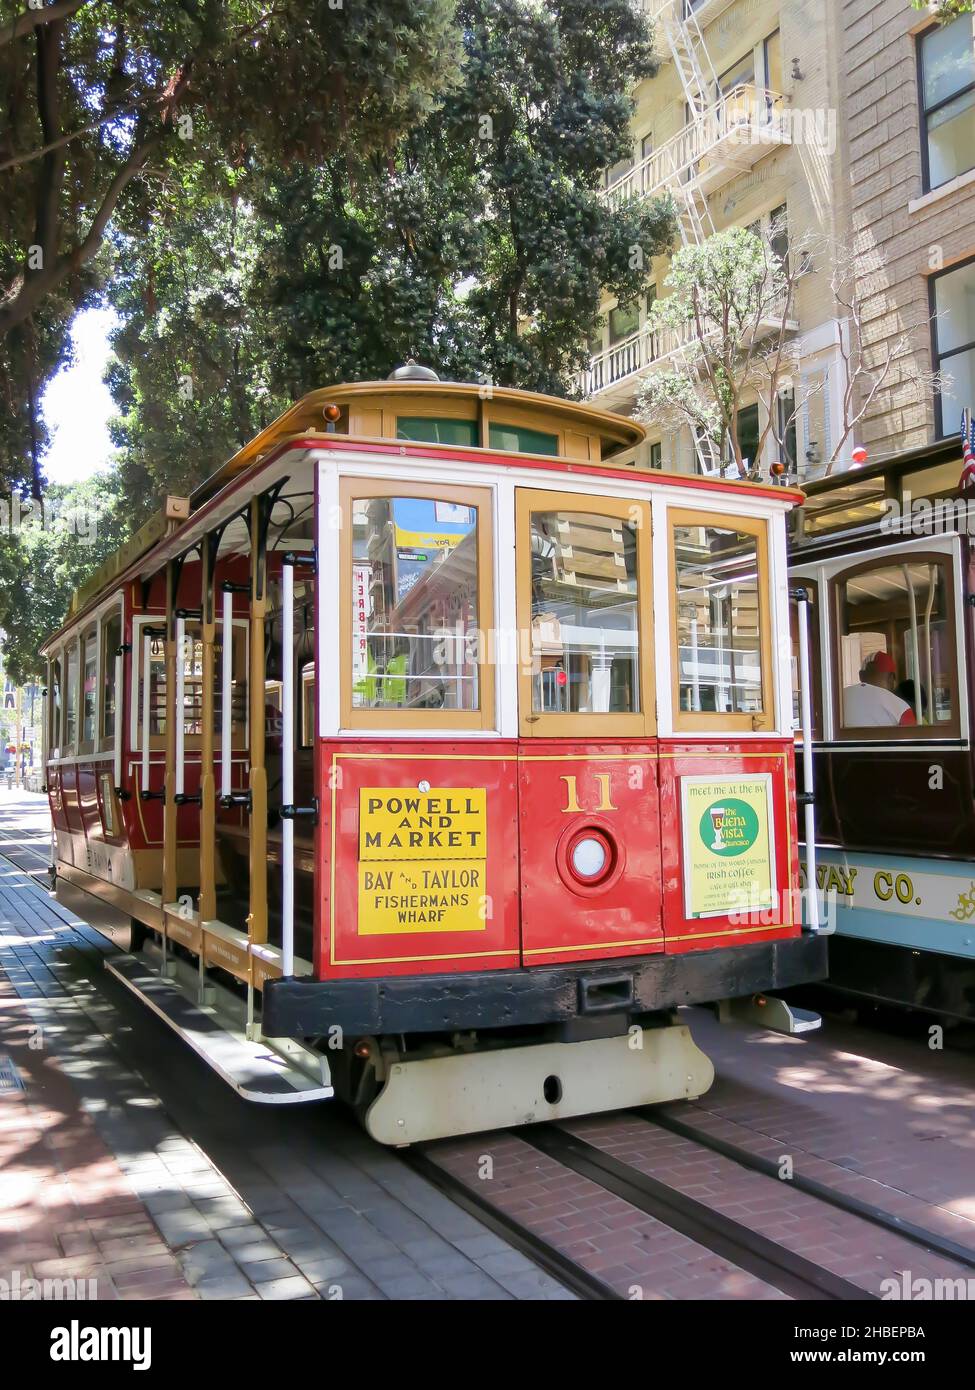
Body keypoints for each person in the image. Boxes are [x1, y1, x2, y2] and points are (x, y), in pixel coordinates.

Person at [843, 651, 917, 727]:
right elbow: (912, 736)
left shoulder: (837, 699)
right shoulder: (900, 707)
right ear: (891, 678)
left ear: (860, 675)